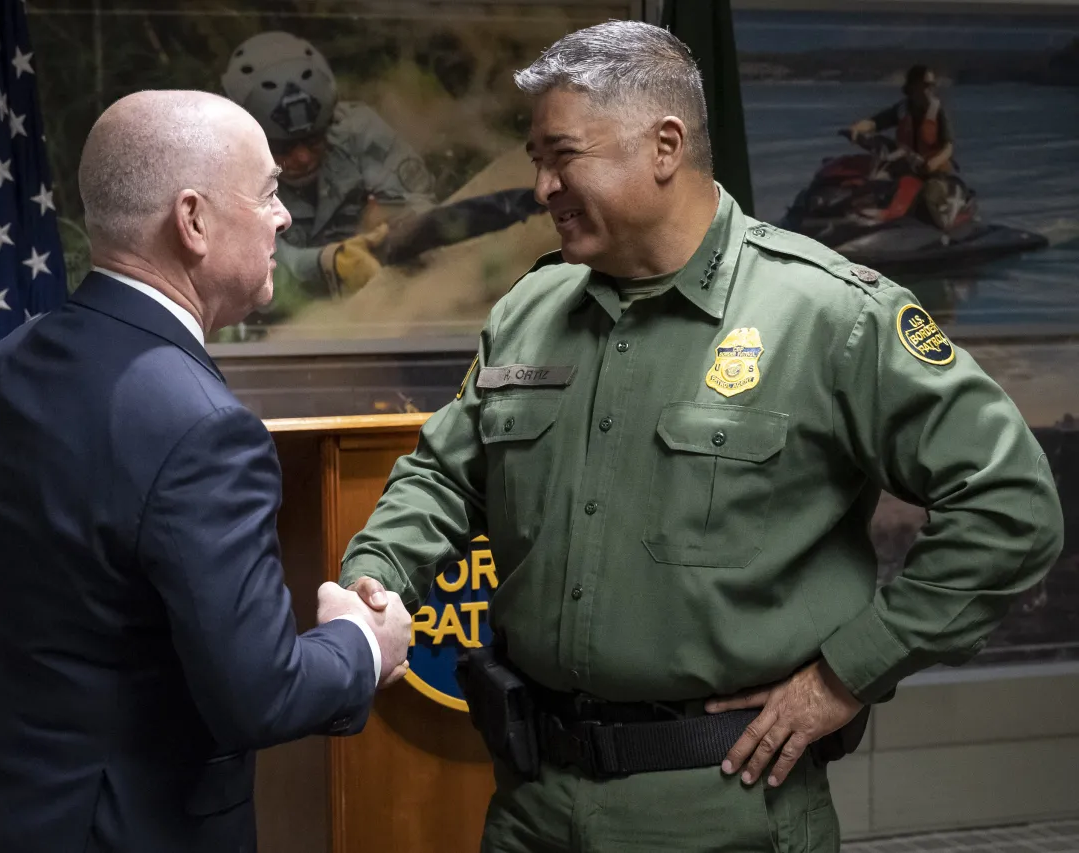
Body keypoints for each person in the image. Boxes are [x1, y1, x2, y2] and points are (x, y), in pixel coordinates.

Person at [338, 22, 1063, 852]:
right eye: (534, 156)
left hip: (724, 808)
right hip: (531, 803)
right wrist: (374, 576)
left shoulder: (830, 316)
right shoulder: (531, 310)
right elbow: (442, 475)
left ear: (665, 145)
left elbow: (1011, 507)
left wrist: (846, 673)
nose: (540, 186)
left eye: (561, 155)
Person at [0, 90, 412, 853]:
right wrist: (364, 643)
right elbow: (261, 692)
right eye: (268, 194)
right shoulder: (207, 430)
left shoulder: (3, 367)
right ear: (192, 220)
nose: (284, 217)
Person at [221, 31, 436, 312]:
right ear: (248, 136)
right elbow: (246, 273)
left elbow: (423, 210)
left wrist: (396, 225)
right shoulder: (225, 171)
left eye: (314, 139)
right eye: (283, 147)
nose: (303, 157)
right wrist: (325, 263)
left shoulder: (360, 134)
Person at [849, 64, 958, 229]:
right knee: (873, 188)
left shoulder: (938, 111)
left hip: (934, 175)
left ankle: (944, 234)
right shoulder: (901, 110)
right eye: (927, 85)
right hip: (907, 170)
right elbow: (875, 122)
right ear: (913, 86)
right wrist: (856, 128)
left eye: (932, 85)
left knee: (927, 197)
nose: (931, 89)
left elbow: (948, 147)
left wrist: (933, 163)